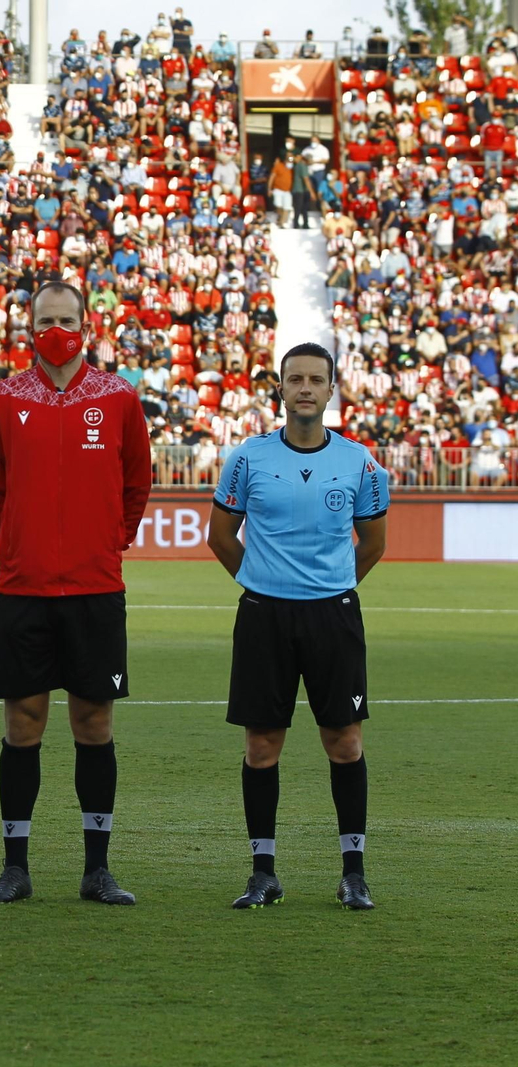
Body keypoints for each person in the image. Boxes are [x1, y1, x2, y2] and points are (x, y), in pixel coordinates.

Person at [0, 281, 152, 906]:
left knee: (93, 723)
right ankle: (15, 867)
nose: (58, 329)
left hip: (94, 587)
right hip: (23, 588)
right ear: (29, 328)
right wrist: (18, 544)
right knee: (22, 725)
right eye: (46, 320)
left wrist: (109, 543)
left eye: (67, 318)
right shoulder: (5, 397)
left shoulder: (118, 397)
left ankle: (97, 868)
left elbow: (138, 482)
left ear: (87, 323)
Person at [207, 343, 389, 911]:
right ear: (280, 389)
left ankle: (353, 874)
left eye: (316, 379)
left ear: (332, 389)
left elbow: (374, 545)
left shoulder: (361, 463)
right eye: (295, 379)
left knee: (345, 741)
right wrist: (261, 582)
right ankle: (263, 873)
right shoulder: (247, 458)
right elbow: (219, 536)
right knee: (262, 745)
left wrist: (328, 588)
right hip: (264, 616)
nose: (305, 387)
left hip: (332, 616)